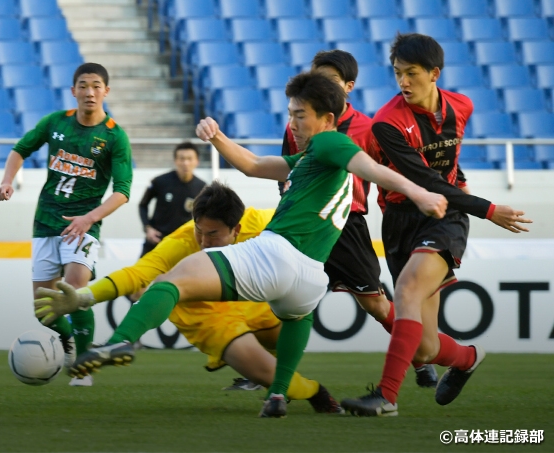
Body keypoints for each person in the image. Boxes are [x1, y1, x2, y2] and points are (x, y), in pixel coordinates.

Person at [35, 71, 447, 418]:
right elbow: (252, 166)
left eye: (299, 116)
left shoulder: (329, 142)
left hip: (279, 254)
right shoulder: (309, 160)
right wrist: (217, 137)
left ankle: (123, 339)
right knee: (294, 322)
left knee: (172, 281)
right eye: (290, 115)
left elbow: (370, 168)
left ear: (328, 117)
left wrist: (420, 194)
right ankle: (278, 393)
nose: (293, 124)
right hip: (309, 278)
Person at [340, 33, 532, 417]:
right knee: (425, 348)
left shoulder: (463, 105)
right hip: (400, 220)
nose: (403, 82)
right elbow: (423, 181)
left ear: (434, 73)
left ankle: (387, 397)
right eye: (397, 74)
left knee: (408, 290)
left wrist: (466, 197)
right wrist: (488, 209)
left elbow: (447, 171)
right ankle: (467, 357)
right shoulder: (387, 123)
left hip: (445, 217)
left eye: (411, 73)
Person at [35, 181, 342, 413]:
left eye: (213, 235)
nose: (203, 241)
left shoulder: (265, 225)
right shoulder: (182, 241)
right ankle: (314, 391)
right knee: (269, 375)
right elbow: (136, 274)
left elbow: (314, 230)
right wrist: (83, 297)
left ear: (237, 229)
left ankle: (276, 382)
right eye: (199, 231)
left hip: (254, 300)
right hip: (207, 315)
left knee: (286, 331)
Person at [282, 49, 438, 387]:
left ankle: (419, 355)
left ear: (349, 87)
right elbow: (287, 170)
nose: (323, 85)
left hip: (345, 223)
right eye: (318, 78)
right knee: (275, 293)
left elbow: (387, 172)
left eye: (332, 81)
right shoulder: (297, 123)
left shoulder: (370, 127)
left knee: (377, 306)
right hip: (304, 225)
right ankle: (264, 374)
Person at [0, 62, 133, 387]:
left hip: (83, 224)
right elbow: (20, 150)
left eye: (96, 85)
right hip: (46, 221)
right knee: (44, 310)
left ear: (106, 92)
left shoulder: (114, 136)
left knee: (74, 289)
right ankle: (70, 342)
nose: (89, 92)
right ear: (74, 91)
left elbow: (122, 193)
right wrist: (6, 181)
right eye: (83, 85)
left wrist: (89, 218)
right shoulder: (55, 123)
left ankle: (83, 366)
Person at [139, 142, 206, 256]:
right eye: (182, 159)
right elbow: (143, 205)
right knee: (140, 273)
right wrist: (148, 228)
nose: (185, 163)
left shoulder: (202, 188)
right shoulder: (159, 181)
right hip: (158, 241)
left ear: (197, 161)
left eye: (190, 159)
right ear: (175, 161)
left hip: (184, 243)